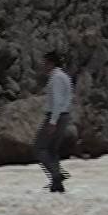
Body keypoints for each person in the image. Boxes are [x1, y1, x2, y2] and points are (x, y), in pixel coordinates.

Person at [35, 51, 74, 193]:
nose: (43, 66)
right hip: (64, 115)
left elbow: (57, 101)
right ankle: (56, 183)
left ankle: (57, 176)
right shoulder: (63, 76)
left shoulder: (56, 78)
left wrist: (53, 121)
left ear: (51, 62)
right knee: (52, 149)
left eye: (45, 62)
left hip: (56, 115)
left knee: (39, 148)